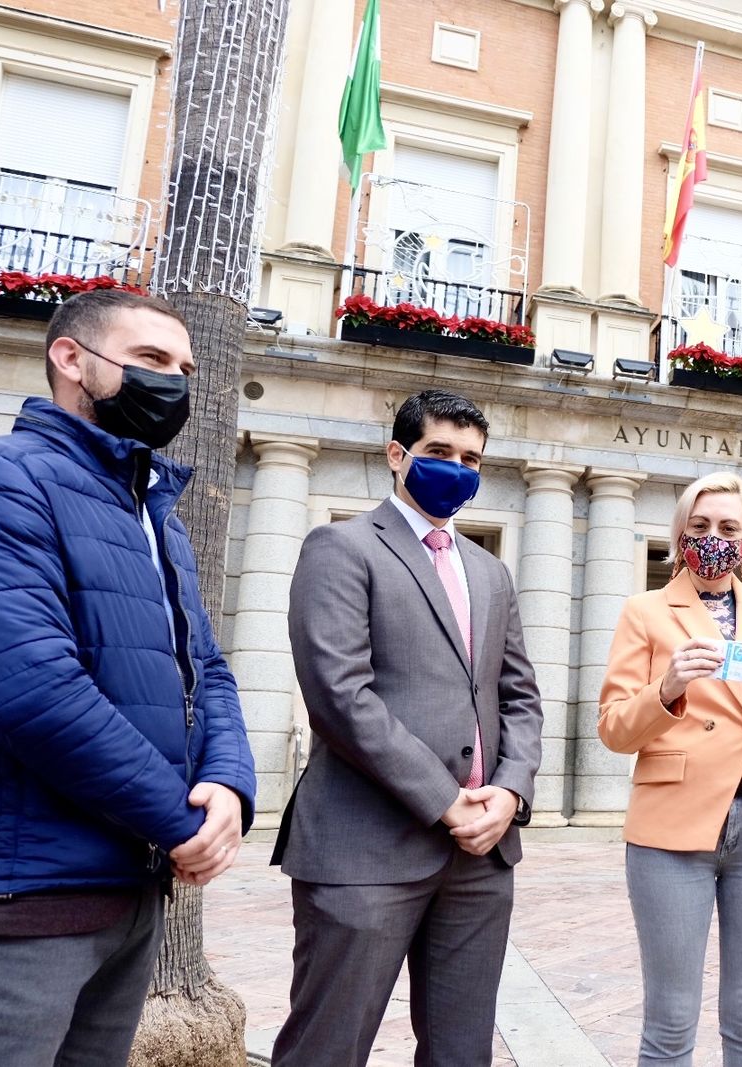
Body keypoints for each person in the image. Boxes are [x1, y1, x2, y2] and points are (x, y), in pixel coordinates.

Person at [0, 289, 255, 1066]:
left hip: (132, 893)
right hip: (23, 901)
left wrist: (228, 786)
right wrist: (180, 822)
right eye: (152, 360)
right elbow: (31, 690)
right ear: (70, 358)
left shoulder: (156, 513)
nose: (175, 383)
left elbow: (208, 671)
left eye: (185, 369)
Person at [271, 388, 545, 1067]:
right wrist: (448, 801)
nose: (458, 467)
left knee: (462, 1052)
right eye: (439, 452)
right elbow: (340, 695)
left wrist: (509, 794)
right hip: (366, 846)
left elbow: (521, 697)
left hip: (482, 856)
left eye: (472, 458)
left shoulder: (491, 571)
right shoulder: (340, 547)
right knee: (327, 1048)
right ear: (398, 456)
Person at [599, 472, 742, 1066]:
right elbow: (615, 729)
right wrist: (667, 688)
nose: (714, 538)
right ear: (679, 535)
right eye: (699, 527)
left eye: (729, 527)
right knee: (670, 1021)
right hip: (672, 826)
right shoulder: (644, 612)